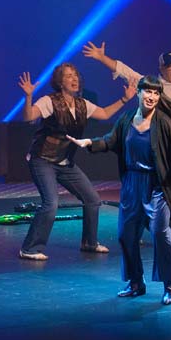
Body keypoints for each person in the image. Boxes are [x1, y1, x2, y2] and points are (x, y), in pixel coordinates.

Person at [68, 76, 171, 305]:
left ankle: (170, 285)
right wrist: (89, 143)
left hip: (156, 186)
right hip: (132, 184)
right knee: (126, 235)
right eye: (148, 91)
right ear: (139, 93)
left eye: (156, 93)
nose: (152, 96)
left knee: (160, 234)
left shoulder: (164, 122)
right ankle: (135, 283)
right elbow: (110, 141)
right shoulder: (127, 119)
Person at [83, 38, 171, 238]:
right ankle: (137, 230)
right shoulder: (154, 87)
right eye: (169, 66)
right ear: (161, 69)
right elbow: (126, 72)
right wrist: (101, 58)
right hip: (159, 149)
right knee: (150, 189)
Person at [17, 63, 136, 261]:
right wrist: (28, 96)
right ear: (60, 82)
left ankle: (89, 243)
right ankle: (29, 248)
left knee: (92, 199)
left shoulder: (82, 104)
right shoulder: (49, 101)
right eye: (68, 76)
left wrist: (125, 99)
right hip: (42, 160)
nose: (74, 79)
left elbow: (104, 114)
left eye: (76, 75)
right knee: (51, 203)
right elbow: (28, 117)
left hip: (64, 162)